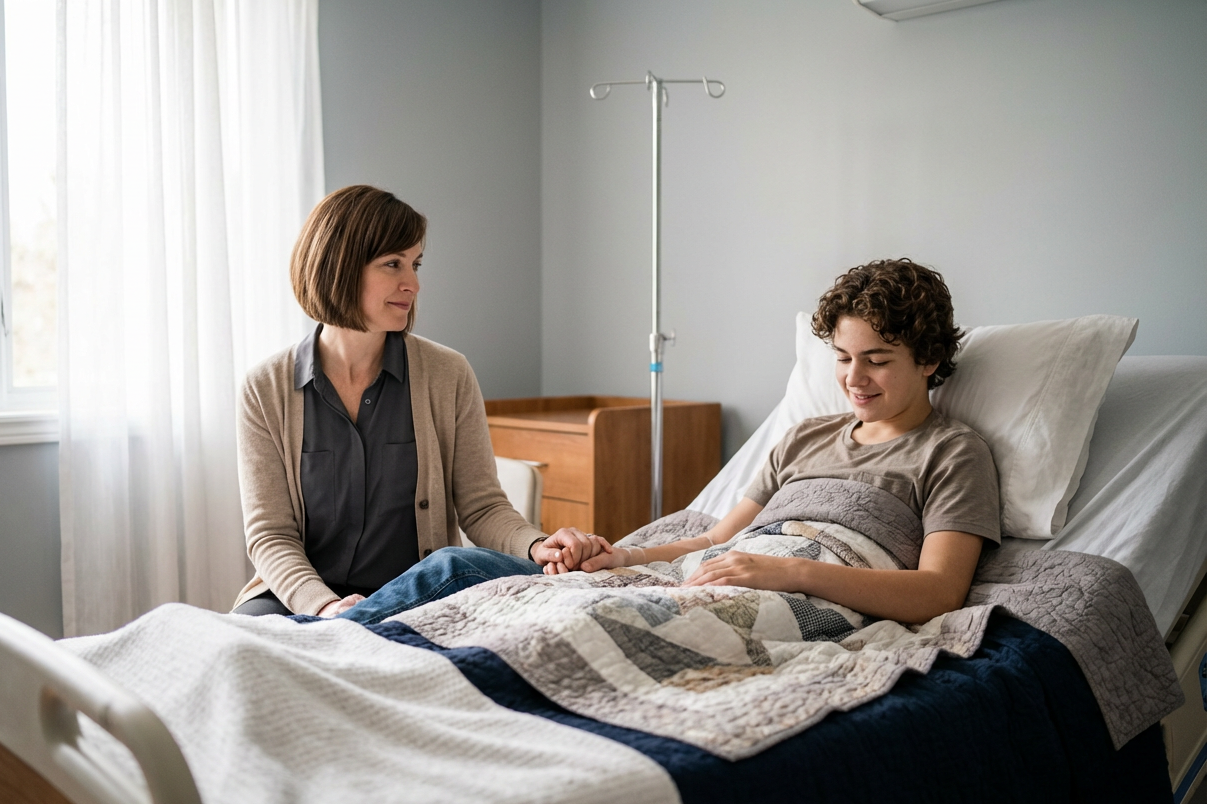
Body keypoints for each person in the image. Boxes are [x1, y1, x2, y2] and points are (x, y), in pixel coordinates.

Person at [339, 257, 1000, 627]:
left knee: (567, 627)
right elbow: (717, 539)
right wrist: (623, 555)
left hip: (790, 592)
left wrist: (787, 571)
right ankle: (326, 639)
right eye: (844, 357)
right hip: (729, 571)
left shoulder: (951, 453)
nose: (854, 378)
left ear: (930, 359)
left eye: (878, 359)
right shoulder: (804, 436)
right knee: (457, 572)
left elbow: (939, 592)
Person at [232, 185, 598, 617]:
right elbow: (271, 536)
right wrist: (327, 607)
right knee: (243, 647)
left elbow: (483, 507)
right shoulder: (264, 389)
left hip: (419, 592)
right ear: (339, 267)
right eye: (393, 264)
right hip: (299, 598)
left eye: (416, 263)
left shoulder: (448, 373)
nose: (414, 284)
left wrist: (537, 545)